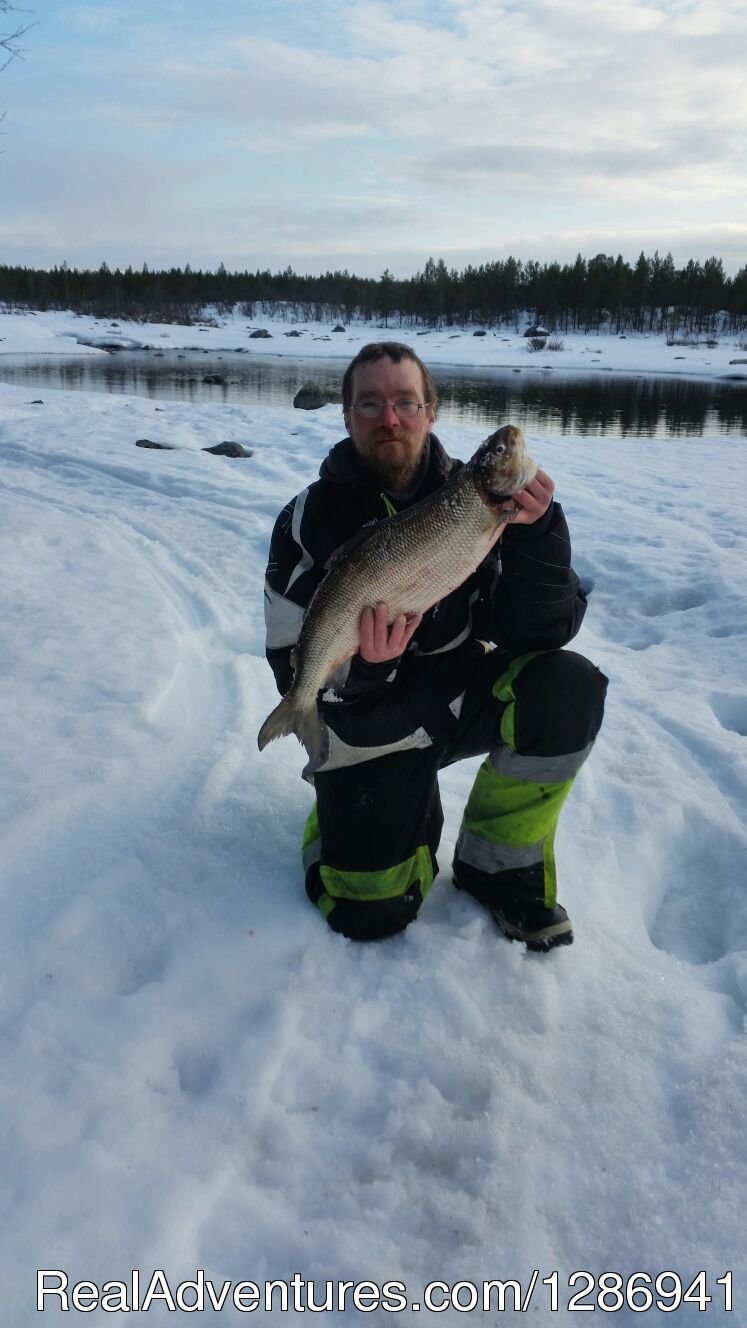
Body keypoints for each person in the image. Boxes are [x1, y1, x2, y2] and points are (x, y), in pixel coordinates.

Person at [264, 342, 607, 949]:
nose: (388, 418)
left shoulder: (482, 504)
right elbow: (289, 652)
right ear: (346, 416)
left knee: (566, 687)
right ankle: (342, 803)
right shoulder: (305, 521)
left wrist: (539, 536)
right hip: (366, 728)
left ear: (430, 412)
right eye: (369, 403)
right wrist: (365, 674)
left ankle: (496, 868)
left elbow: (540, 633)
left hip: (455, 701)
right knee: (369, 913)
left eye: (404, 402)